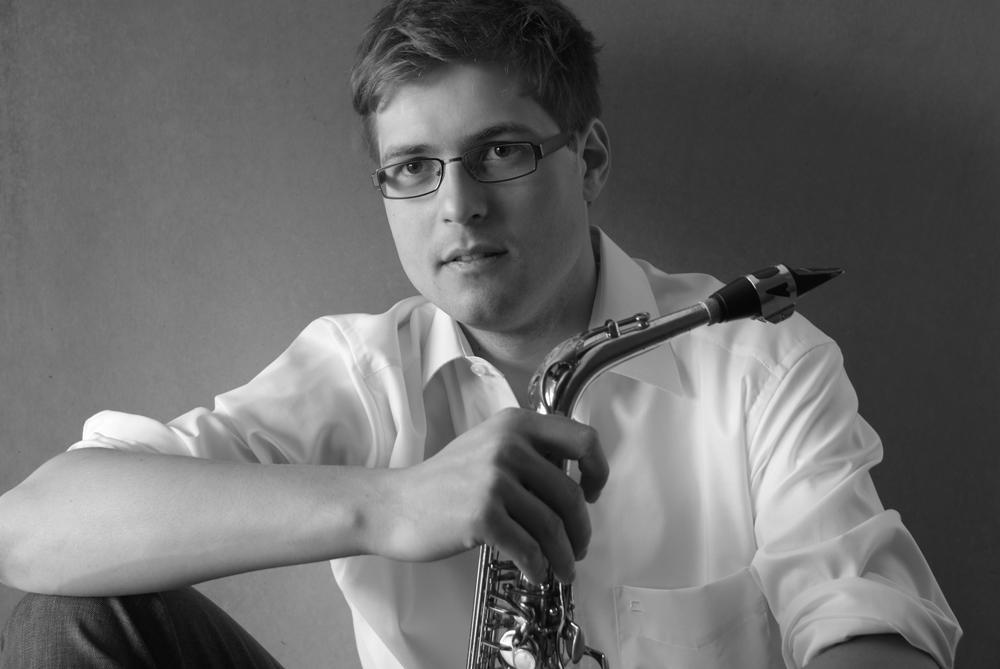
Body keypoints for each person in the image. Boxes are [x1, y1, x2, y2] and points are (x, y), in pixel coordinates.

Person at [0, 0, 960, 667]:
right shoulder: (360, 369)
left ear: (590, 160)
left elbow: (870, 628)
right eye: (412, 167)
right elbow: (31, 529)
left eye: (500, 150)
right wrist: (390, 504)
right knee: (68, 616)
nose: (457, 206)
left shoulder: (763, 362)